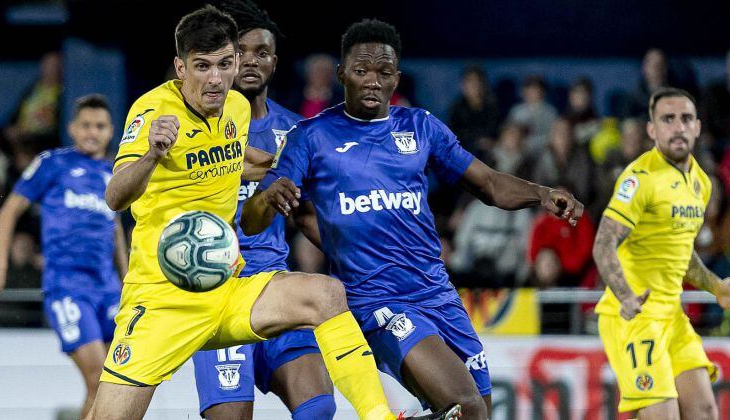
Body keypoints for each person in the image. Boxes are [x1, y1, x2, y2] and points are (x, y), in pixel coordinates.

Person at [242, 19, 583, 420]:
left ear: (396, 78)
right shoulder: (310, 136)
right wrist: (268, 198)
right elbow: (251, 220)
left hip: (438, 295)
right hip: (378, 302)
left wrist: (542, 193)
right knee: (465, 405)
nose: (372, 81)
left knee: (481, 413)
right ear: (341, 75)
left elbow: (489, 184)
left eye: (384, 73)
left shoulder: (420, 127)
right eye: (361, 71)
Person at [91, 7, 419, 420]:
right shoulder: (154, 112)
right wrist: (153, 155)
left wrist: (316, 170)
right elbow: (116, 195)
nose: (215, 78)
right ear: (180, 67)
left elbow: (237, 157)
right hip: (163, 300)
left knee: (326, 294)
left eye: (225, 64)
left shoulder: (235, 108)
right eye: (202, 67)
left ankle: (381, 416)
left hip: (229, 287)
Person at [190, 2, 335, 419]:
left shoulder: (294, 131)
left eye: (263, 52)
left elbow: (307, 214)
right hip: (218, 292)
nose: (252, 60)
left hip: (274, 285)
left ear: (275, 62)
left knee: (319, 407)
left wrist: (361, 261)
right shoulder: (194, 124)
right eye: (242, 51)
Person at [592, 88, 730, 419]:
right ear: (652, 130)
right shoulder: (640, 178)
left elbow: (683, 252)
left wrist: (717, 287)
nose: (678, 126)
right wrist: (625, 295)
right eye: (668, 119)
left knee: (704, 410)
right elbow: (603, 243)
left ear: (697, 127)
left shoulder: (701, 183)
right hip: (635, 319)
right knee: (663, 415)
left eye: (685, 118)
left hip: (672, 316)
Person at [0, 94, 128, 418]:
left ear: (110, 130)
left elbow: (114, 229)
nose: (92, 132)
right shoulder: (53, 163)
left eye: (99, 126)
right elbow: (9, 212)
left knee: (116, 384)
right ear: (72, 129)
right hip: (67, 287)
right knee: (99, 378)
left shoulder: (115, 172)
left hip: (109, 289)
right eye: (85, 125)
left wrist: (127, 279)